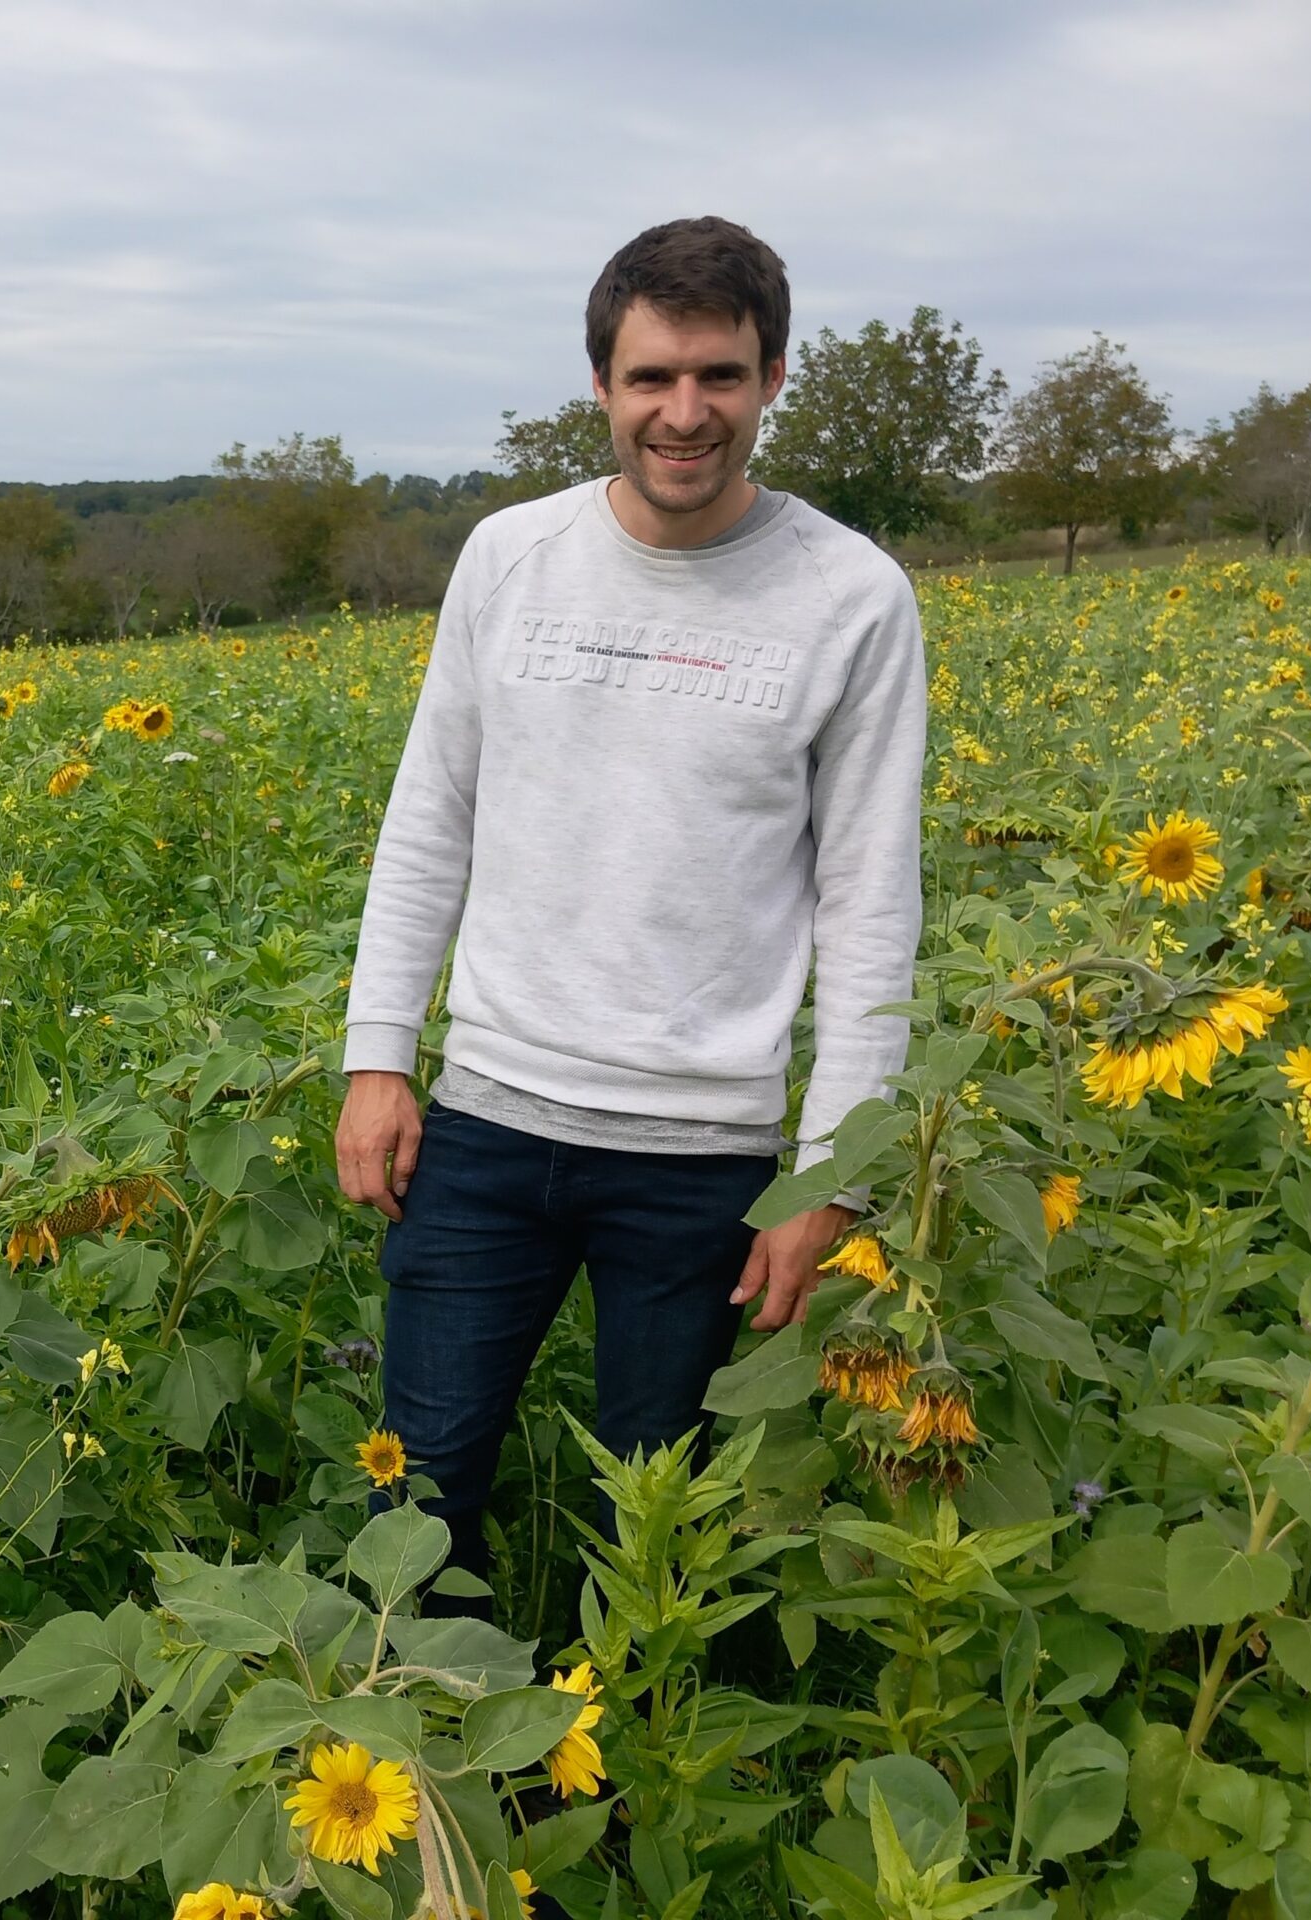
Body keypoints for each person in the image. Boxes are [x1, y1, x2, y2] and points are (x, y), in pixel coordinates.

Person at [332, 215, 926, 1592]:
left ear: (773, 377)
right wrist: (379, 1057)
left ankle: (616, 1787)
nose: (685, 412)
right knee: (416, 1495)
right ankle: (427, 1781)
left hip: (707, 1158)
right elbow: (430, 821)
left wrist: (825, 1175)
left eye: (719, 376)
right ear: (600, 384)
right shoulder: (509, 559)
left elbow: (871, 907)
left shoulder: (852, 598)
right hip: (484, 1122)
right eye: (652, 377)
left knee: (658, 1531)